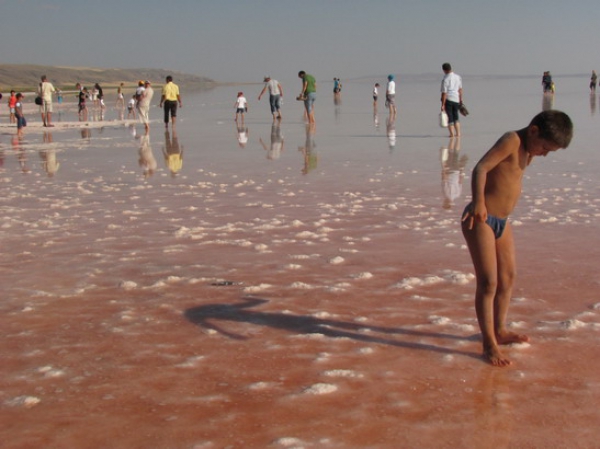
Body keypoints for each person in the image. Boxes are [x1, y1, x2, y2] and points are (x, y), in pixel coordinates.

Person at [461, 110, 573, 367]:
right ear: (533, 130)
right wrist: (478, 201)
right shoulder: (512, 140)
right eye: (545, 147)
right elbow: (481, 168)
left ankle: (499, 329)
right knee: (489, 282)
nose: (544, 154)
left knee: (508, 278)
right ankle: (488, 342)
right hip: (481, 219)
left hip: (502, 222)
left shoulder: (529, 150)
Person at [440, 63, 462, 137]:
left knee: (450, 117)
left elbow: (444, 92)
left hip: (449, 99)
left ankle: (452, 134)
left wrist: (442, 104)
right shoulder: (458, 77)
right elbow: (460, 89)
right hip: (456, 98)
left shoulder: (445, 79)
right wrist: (461, 99)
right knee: (456, 116)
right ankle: (458, 133)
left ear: (444, 70)